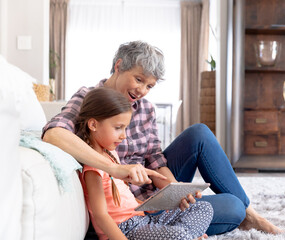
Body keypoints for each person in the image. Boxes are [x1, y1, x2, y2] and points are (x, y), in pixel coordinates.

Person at [42, 40, 281, 236]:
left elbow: (156, 160)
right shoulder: (87, 97)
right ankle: (181, 230)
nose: (142, 91)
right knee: (232, 208)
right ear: (118, 66)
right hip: (126, 210)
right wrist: (114, 169)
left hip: (155, 197)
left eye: (150, 86)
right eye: (138, 79)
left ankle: (250, 215)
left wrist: (176, 191)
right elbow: (54, 134)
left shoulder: (144, 108)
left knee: (200, 134)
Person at [75, 87, 213, 240]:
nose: (123, 136)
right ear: (93, 125)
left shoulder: (111, 154)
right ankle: (186, 237)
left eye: (125, 128)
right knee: (178, 234)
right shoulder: (93, 168)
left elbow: (123, 197)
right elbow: (101, 215)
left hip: (143, 218)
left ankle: (187, 237)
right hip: (125, 229)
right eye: (118, 128)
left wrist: (150, 205)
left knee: (203, 208)